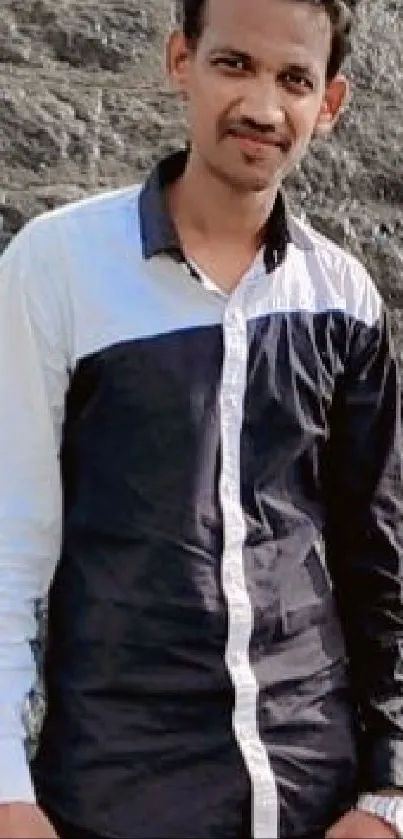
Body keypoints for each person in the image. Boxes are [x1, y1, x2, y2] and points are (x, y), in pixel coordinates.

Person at [0, 0, 402, 836]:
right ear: (180, 60)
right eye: (233, 64)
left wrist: (388, 795)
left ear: (328, 104)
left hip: (313, 795)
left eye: (293, 78)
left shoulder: (343, 298)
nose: (261, 105)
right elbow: (9, 545)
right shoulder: (57, 266)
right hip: (118, 797)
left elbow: (382, 564)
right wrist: (7, 792)